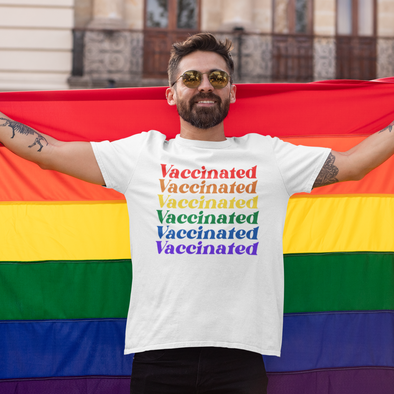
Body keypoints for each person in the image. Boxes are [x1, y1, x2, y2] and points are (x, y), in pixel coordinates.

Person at [0, 33, 393, 394]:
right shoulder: (141, 155)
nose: (205, 85)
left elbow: (354, 164)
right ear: (171, 94)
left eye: (217, 78)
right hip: (160, 353)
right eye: (192, 78)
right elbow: (49, 153)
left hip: (240, 355)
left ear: (232, 91)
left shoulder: (269, 155)